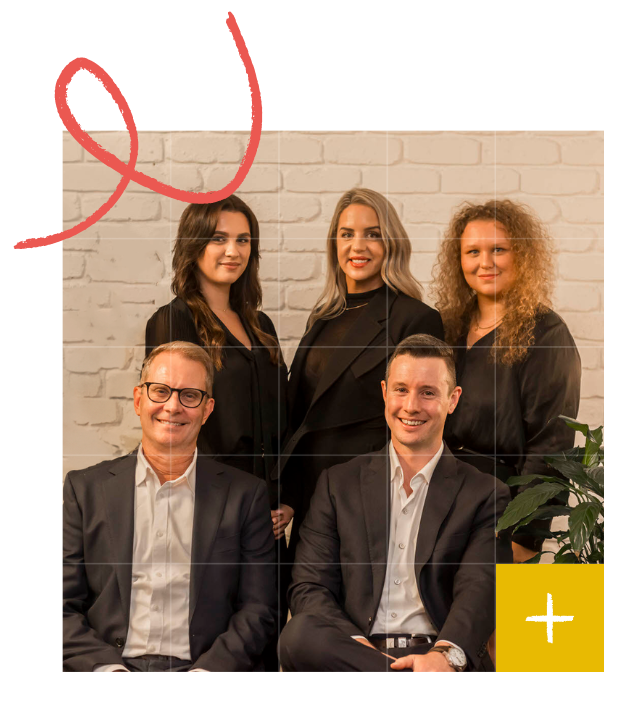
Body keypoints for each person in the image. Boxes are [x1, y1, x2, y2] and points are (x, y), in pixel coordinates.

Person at [279, 335, 512, 672]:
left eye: (428, 392)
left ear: (452, 399)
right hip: (354, 653)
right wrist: (363, 653)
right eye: (401, 389)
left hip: (438, 655)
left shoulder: (485, 494)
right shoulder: (337, 484)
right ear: (385, 392)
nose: (411, 405)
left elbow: (480, 590)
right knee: (297, 634)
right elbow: (309, 586)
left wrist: (444, 656)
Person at [62, 342, 277, 672]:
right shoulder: (84, 490)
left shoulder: (246, 496)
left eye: (189, 395)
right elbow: (64, 606)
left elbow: (259, 609)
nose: (173, 406)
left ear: (207, 410)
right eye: (160, 391)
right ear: (138, 400)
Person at [144, 198, 290, 666]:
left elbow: (279, 420)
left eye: (243, 239)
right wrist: (237, 504)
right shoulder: (174, 322)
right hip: (210, 511)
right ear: (194, 245)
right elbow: (175, 425)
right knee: (214, 641)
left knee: (263, 632)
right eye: (218, 238)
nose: (233, 250)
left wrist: (285, 498)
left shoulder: (261, 326)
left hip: (268, 516)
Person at [275, 188, 444, 558]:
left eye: (372, 234)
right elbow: (303, 420)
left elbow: (421, 419)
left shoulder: (415, 318)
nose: (358, 246)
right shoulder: (322, 318)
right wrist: (288, 495)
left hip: (371, 499)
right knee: (308, 608)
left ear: (391, 243)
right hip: (310, 500)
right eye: (347, 234)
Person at [431, 199, 581, 562]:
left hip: (503, 513)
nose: (485, 262)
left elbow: (551, 446)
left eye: (498, 249)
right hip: (439, 508)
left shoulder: (546, 333)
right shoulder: (447, 328)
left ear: (523, 255)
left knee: (502, 620)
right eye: (472, 251)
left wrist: (523, 539)